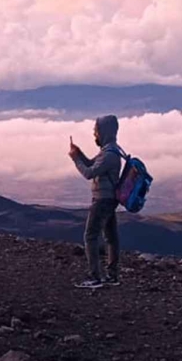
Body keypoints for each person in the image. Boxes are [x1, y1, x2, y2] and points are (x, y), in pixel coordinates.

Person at [69, 114, 125, 289]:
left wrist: (75, 158)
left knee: (91, 236)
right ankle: (112, 275)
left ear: (104, 132)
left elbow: (88, 173)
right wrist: (80, 154)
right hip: (110, 199)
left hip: (102, 200)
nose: (95, 135)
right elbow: (93, 164)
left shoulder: (109, 155)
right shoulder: (111, 151)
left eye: (96, 131)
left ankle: (95, 277)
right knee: (111, 237)